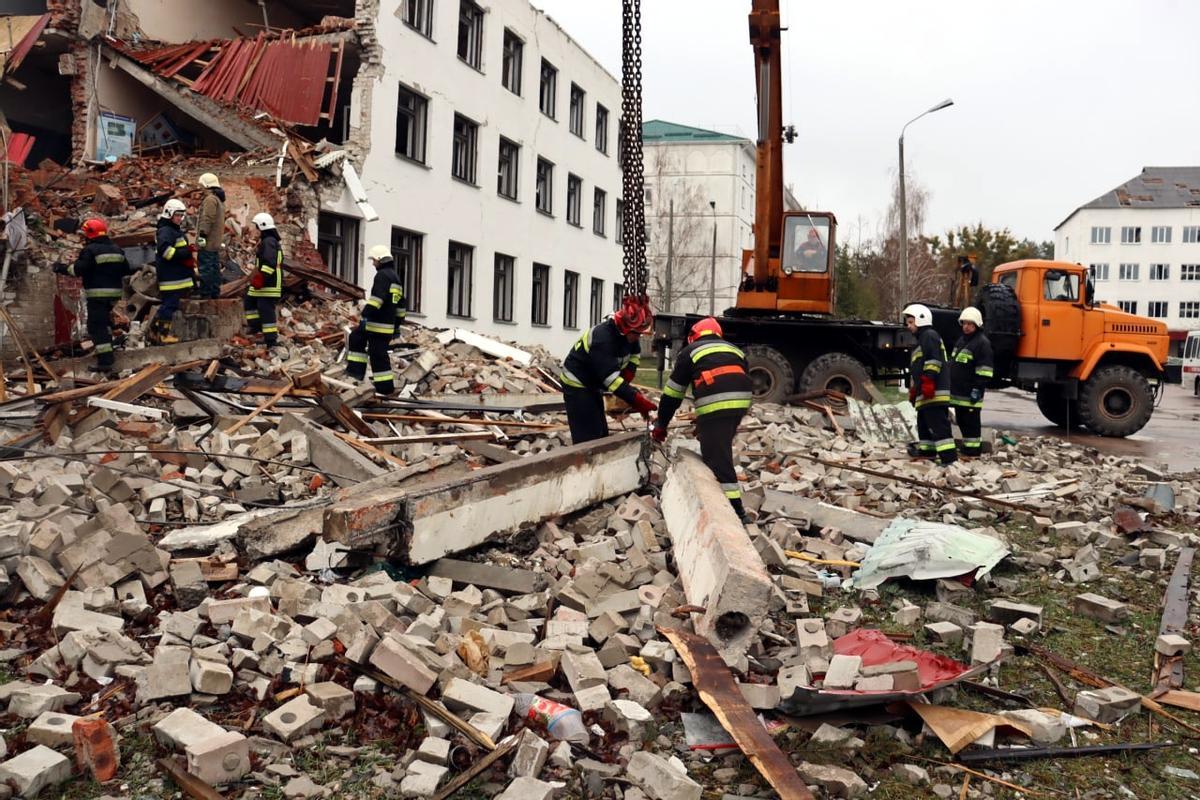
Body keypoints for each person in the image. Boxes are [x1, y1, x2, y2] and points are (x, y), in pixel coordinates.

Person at [652, 317, 753, 520]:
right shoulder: (735, 350)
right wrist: (705, 420)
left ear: (693, 336)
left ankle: (737, 512)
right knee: (719, 445)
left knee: (718, 458)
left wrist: (661, 424)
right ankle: (722, 500)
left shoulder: (690, 352)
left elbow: (672, 394)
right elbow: (732, 380)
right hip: (741, 403)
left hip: (717, 404)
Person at [559, 297, 657, 444]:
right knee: (587, 436)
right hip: (577, 382)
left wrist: (629, 372)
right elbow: (611, 381)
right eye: (637, 333)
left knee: (600, 432)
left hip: (593, 383)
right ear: (625, 330)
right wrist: (636, 400)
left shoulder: (629, 335)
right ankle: (585, 461)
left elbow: (635, 354)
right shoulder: (603, 338)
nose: (639, 336)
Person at [53, 218, 132, 372]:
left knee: (96, 327)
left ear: (90, 234)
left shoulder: (90, 250)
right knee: (104, 324)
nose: (83, 238)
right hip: (114, 295)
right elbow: (126, 269)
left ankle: (105, 362)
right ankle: (109, 349)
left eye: (84, 234)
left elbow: (77, 270)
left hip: (97, 295)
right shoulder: (117, 249)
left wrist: (60, 267)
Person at [346, 245, 406, 395]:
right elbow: (401, 307)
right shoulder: (396, 278)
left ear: (380, 259)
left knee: (378, 356)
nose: (373, 263)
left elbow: (376, 299)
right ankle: (356, 374)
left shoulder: (382, 276)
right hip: (386, 326)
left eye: (374, 260)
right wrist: (397, 327)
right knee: (357, 337)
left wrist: (365, 314)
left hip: (376, 324)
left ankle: (384, 388)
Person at [903, 303, 957, 465]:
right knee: (924, 424)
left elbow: (933, 361)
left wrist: (928, 381)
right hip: (926, 392)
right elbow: (918, 369)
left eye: (911, 322)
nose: (908, 325)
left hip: (934, 391)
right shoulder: (921, 341)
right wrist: (915, 389)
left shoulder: (929, 335)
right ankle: (927, 454)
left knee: (939, 425)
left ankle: (949, 460)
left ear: (921, 320)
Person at [949, 306, 994, 457]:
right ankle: (968, 448)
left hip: (971, 394)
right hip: (958, 394)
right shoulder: (962, 341)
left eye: (970, 324)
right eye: (964, 323)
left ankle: (974, 450)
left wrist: (977, 388)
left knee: (971, 424)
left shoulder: (982, 343)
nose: (966, 327)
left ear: (977, 325)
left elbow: (985, 370)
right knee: (962, 422)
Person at [151, 198, 195, 345]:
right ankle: (162, 335)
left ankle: (155, 332)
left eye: (182, 216)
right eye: (177, 215)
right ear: (169, 213)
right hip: (171, 278)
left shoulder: (173, 230)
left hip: (176, 277)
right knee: (169, 306)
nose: (180, 219)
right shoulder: (166, 231)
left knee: (170, 305)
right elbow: (166, 252)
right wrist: (185, 253)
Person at [245, 212, 284, 349]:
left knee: (266, 309)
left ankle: (271, 340)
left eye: (256, 227)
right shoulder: (268, 241)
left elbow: (269, 263)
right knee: (249, 300)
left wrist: (261, 278)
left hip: (269, 282)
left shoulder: (268, 242)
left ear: (262, 226)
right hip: (265, 281)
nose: (254, 230)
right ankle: (256, 328)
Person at [195, 173, 226, 299]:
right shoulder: (218, 199)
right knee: (214, 268)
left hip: (208, 242)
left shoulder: (210, 200)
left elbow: (207, 219)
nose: (200, 187)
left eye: (201, 185)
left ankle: (205, 294)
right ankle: (214, 293)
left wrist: (202, 235)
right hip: (215, 243)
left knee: (206, 268)